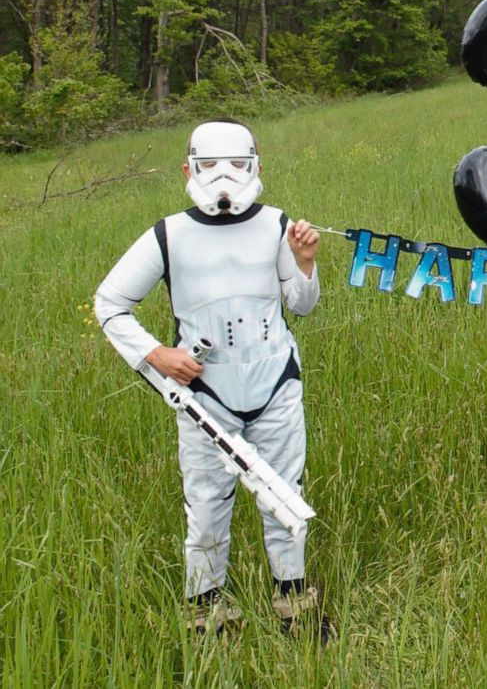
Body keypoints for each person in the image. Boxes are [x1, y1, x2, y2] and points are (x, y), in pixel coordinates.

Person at [95, 119, 330, 637]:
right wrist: (157, 353)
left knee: (284, 496)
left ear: (257, 167)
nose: (224, 178)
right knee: (205, 503)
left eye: (238, 165)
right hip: (205, 398)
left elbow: (301, 305)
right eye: (209, 166)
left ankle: (295, 608)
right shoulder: (168, 234)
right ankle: (207, 615)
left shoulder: (277, 225)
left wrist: (306, 263)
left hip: (275, 385)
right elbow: (110, 303)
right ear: (188, 170)